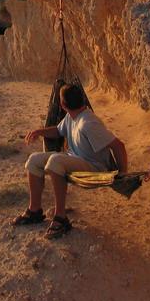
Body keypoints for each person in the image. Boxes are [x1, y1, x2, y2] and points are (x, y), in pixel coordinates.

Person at [11, 84, 128, 239]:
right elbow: (58, 131)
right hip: (75, 159)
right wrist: (39, 131)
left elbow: (118, 146)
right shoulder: (71, 116)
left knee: (55, 161)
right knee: (34, 160)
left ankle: (61, 217)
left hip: (95, 168)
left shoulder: (89, 123)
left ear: (63, 105)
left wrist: (122, 175)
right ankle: (35, 211)